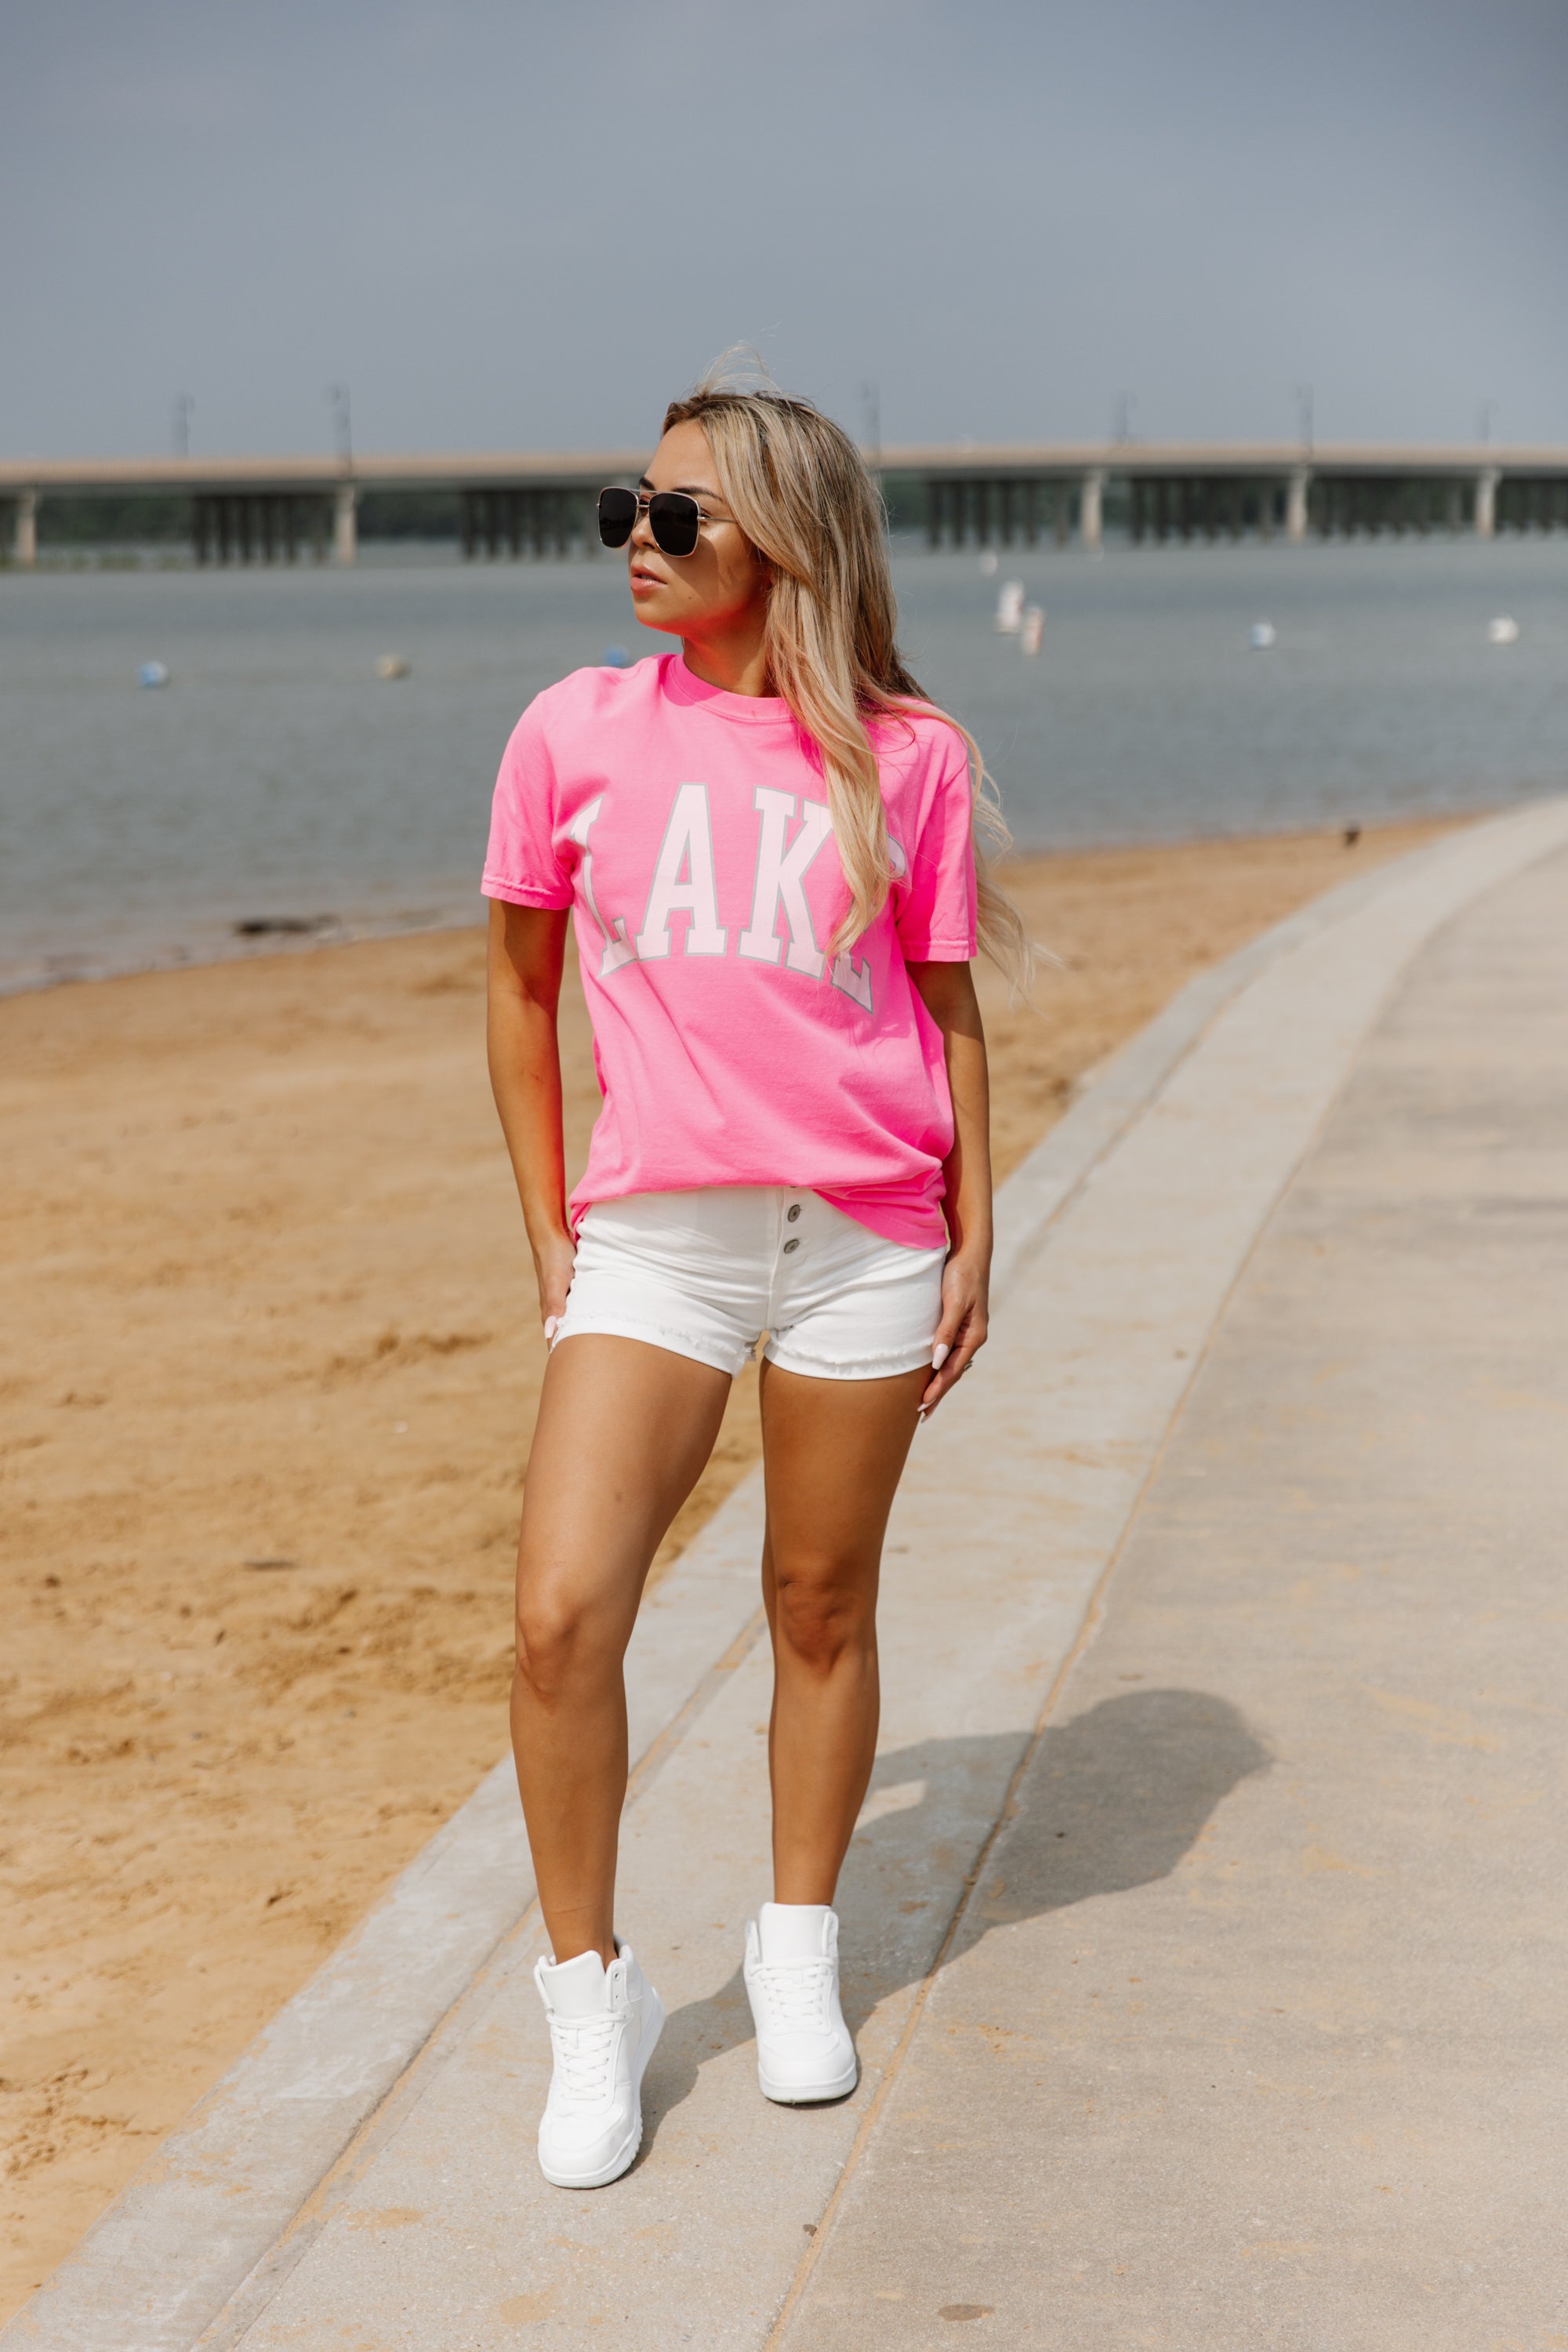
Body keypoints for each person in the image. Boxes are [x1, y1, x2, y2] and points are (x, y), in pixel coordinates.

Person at [483, 367, 1027, 2190]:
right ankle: (593, 2004)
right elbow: (518, 992)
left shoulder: (909, 754)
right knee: (562, 1618)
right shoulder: (571, 730)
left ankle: (795, 1948)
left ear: (788, 542)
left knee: (817, 1605)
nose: (634, 540)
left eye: (675, 515)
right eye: (625, 510)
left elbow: (944, 1003)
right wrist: (550, 1227)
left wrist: (972, 1222)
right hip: (658, 1238)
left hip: (865, 1236)